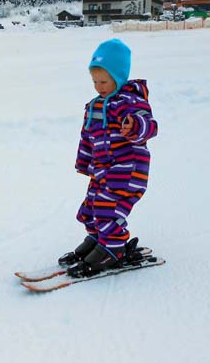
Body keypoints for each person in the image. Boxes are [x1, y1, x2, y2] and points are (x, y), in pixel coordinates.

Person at [60, 38, 158, 277]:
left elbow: (150, 126)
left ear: (119, 76)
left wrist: (134, 125)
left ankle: (112, 250)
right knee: (90, 208)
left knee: (108, 209)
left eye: (104, 81)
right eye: (95, 81)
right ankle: (97, 240)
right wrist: (84, 162)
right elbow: (87, 137)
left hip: (128, 171)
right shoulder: (94, 105)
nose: (99, 86)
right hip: (102, 170)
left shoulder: (129, 101)